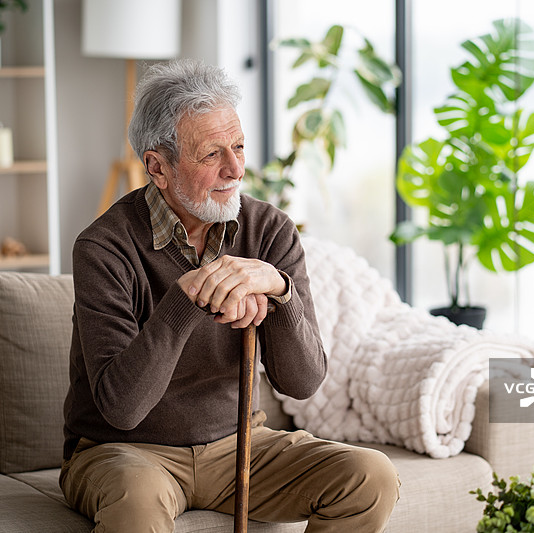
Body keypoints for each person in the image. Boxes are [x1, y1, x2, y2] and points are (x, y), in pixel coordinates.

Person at [60, 59, 399, 533]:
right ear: (158, 167)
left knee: (371, 476)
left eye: (238, 147)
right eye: (211, 155)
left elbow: (302, 383)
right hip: (127, 452)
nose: (236, 168)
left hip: (238, 443)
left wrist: (280, 291)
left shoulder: (269, 231)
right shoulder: (103, 247)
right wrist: (186, 299)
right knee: (135, 504)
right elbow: (121, 408)